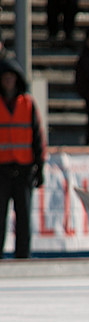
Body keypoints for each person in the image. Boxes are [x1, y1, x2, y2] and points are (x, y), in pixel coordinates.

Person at [0, 58, 47, 260]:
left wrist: (40, 166)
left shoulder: (27, 104)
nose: (9, 82)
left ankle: (23, 256)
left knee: (24, 218)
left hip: (24, 169)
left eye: (12, 78)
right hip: (1, 169)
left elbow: (38, 137)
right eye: (5, 78)